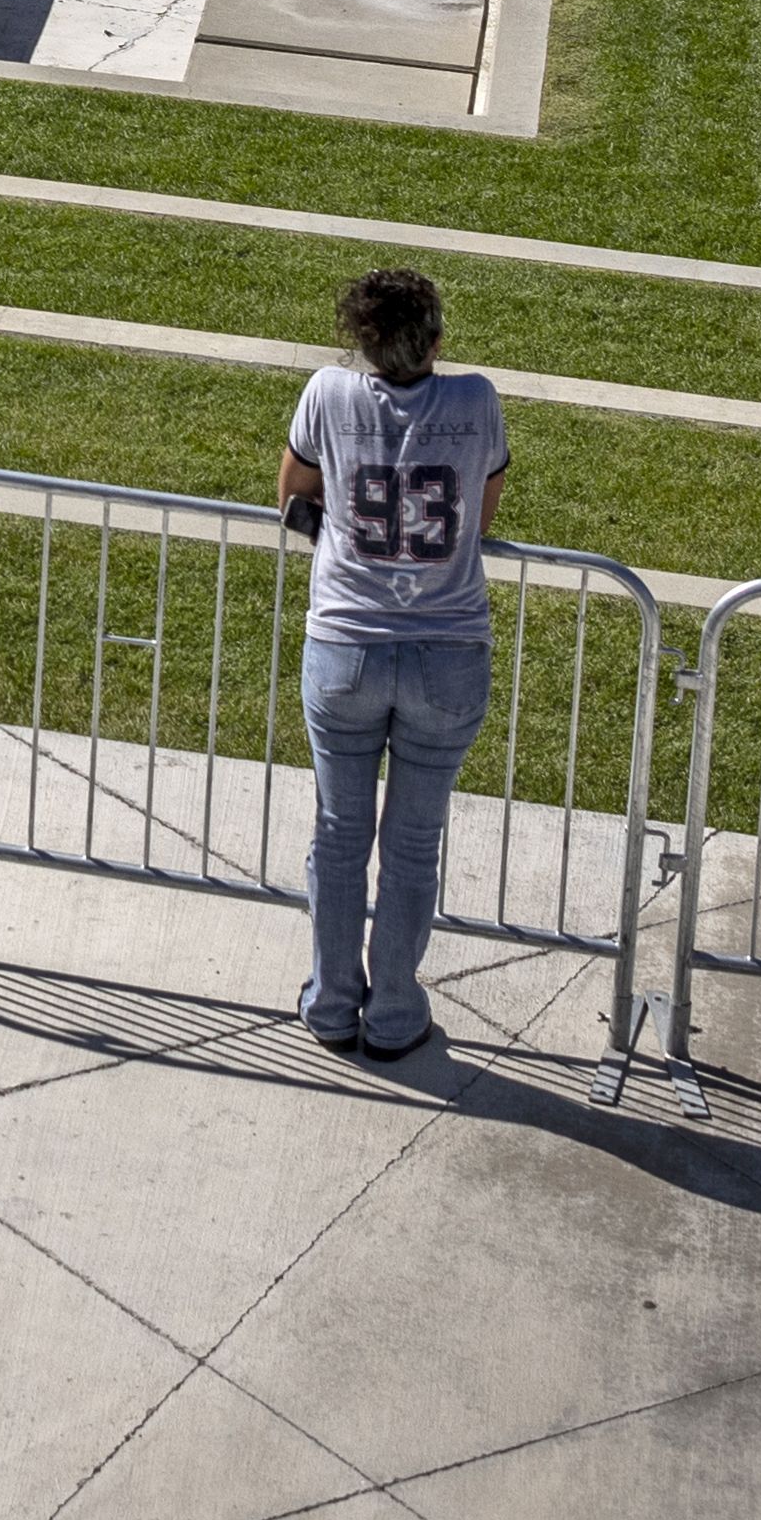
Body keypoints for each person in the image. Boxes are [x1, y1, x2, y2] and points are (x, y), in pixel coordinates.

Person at [274, 264, 511, 1063]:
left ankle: (334, 1001)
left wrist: (346, 537)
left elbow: (293, 495)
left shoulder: (327, 394)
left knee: (340, 833)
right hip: (448, 649)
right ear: (437, 339)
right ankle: (395, 1012)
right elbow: (482, 511)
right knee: (413, 842)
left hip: (345, 642)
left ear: (361, 340)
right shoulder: (476, 400)